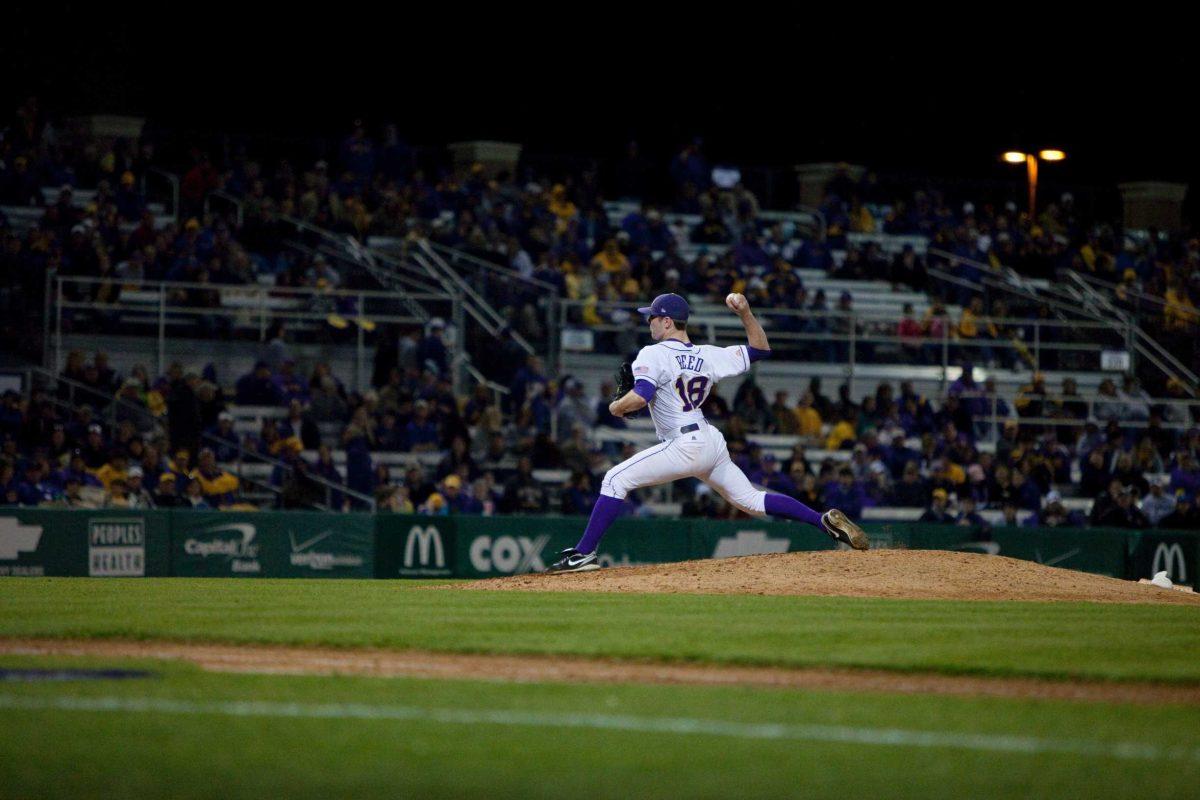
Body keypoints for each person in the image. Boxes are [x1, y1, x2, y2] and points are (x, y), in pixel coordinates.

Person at [549, 292, 867, 573]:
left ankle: (583, 554)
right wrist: (744, 312)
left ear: (667, 322)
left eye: (653, 318)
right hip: (709, 441)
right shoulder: (708, 354)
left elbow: (641, 395)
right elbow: (761, 348)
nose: (649, 323)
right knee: (752, 501)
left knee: (615, 479)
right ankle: (821, 520)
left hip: (683, 443)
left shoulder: (653, 353)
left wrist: (615, 407)